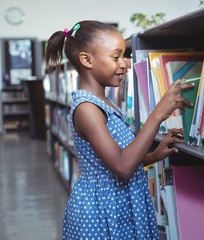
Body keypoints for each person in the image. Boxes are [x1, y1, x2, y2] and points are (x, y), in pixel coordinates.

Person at [45, 20, 194, 239]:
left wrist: (153, 155)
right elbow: (122, 167)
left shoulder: (105, 102)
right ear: (87, 60)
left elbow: (116, 158)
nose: (124, 63)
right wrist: (158, 114)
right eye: (116, 57)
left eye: (124, 56)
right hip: (102, 212)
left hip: (120, 204)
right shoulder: (87, 109)